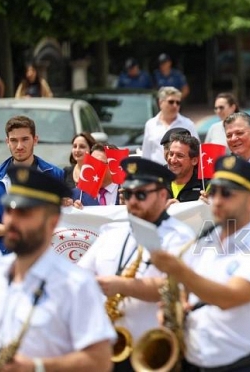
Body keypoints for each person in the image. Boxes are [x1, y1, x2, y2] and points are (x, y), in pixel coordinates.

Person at [150, 155, 250, 372]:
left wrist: (179, 270)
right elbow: (185, 291)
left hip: (243, 366)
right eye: (214, 192)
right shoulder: (202, 242)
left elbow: (228, 298)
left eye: (228, 193)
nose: (218, 200)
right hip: (195, 362)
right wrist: (175, 307)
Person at [0, 167, 115, 370]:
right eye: (9, 210)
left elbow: (100, 361)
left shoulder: (75, 285)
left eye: (24, 213)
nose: (12, 221)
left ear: (52, 222)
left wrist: (38, 366)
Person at [78, 157, 195, 372]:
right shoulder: (112, 232)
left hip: (152, 353)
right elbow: (79, 275)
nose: (132, 201)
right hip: (110, 349)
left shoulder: (179, 237)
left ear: (162, 195)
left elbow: (176, 287)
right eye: (128, 194)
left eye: (141, 194)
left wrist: (123, 286)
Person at [0, 116, 65, 254]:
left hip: (43, 254)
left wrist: (71, 207)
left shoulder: (55, 174)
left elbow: (63, 219)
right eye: (14, 140)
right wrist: (13, 229)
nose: (19, 146)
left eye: (25, 139)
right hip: (4, 256)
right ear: (7, 142)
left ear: (35, 140)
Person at [141, 86, 198, 165]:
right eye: (171, 102)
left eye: (178, 103)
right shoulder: (150, 124)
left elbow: (196, 151)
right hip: (156, 172)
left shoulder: (188, 124)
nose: (175, 105)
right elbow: (146, 153)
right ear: (160, 103)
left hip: (180, 172)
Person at [165, 133, 205, 203]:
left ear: (194, 161)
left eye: (180, 156)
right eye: (171, 154)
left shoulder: (204, 187)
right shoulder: (157, 183)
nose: (173, 160)